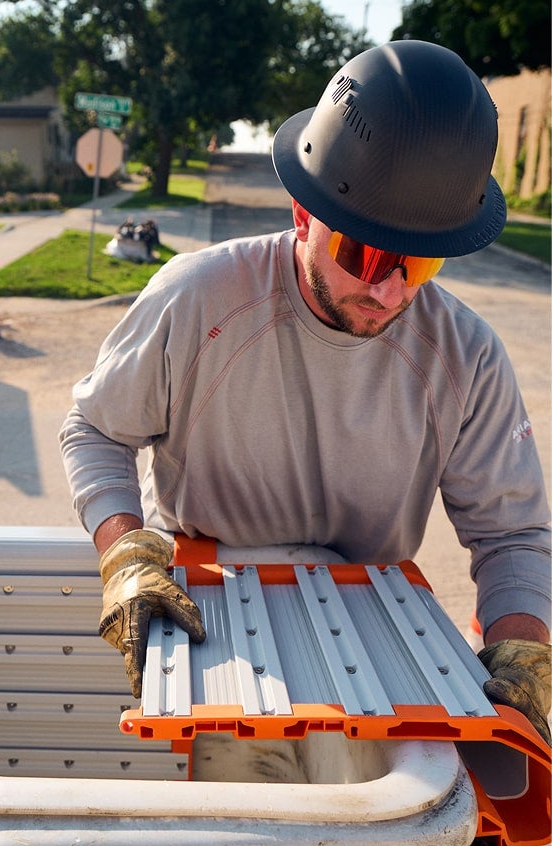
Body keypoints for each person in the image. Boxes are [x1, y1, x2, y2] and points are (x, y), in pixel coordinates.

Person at [59, 40, 551, 744]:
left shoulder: (465, 355)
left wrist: (522, 647)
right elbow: (97, 428)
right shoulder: (201, 299)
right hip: (204, 612)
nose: (389, 290)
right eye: (366, 255)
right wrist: (126, 554)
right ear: (301, 213)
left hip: (373, 623)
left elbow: (511, 532)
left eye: (419, 262)